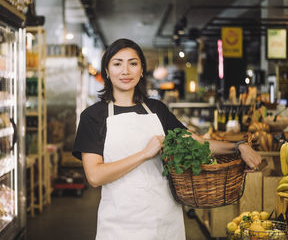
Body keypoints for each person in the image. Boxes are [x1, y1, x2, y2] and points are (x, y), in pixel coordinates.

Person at [72, 38, 262, 240]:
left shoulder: (157, 109)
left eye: (133, 63)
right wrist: (145, 154)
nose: (125, 71)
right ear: (107, 71)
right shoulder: (92, 116)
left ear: (142, 70)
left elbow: (196, 142)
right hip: (120, 224)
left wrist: (238, 147)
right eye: (117, 63)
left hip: (163, 220)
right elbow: (94, 176)